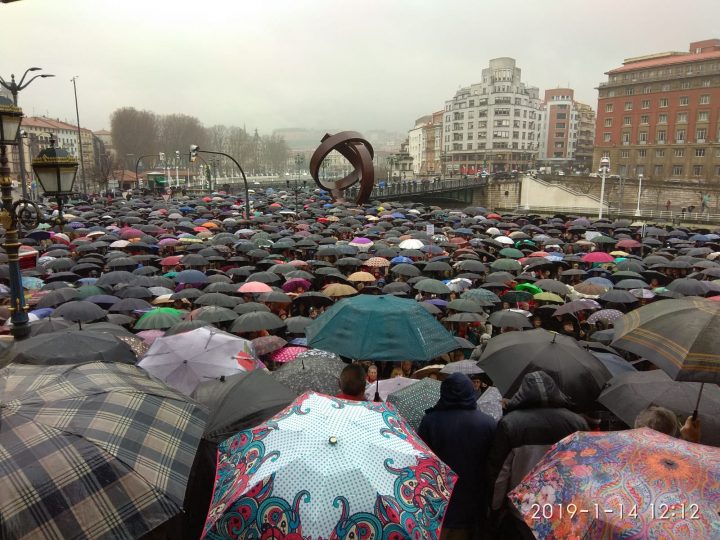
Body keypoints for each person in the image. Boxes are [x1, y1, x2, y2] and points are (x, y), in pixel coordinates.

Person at [487, 371, 589, 536]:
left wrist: (495, 506)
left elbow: (501, 473)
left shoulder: (510, 424)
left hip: (523, 509)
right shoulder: (577, 422)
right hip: (564, 507)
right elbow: (586, 467)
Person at [418, 373, 496, 539]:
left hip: (437, 501)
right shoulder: (488, 424)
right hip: (473, 501)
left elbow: (421, 461)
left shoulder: (430, 421)